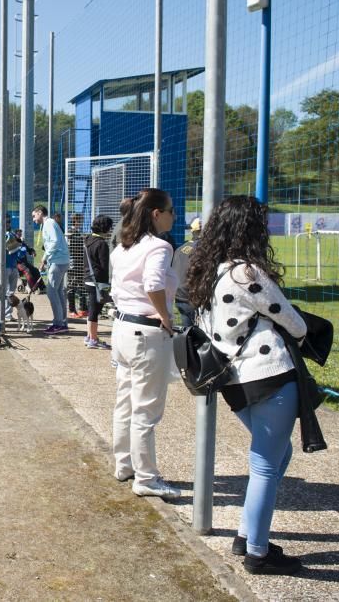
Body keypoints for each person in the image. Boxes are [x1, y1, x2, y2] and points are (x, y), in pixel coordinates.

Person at [186, 195, 308, 576]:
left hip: (234, 381)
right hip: (269, 376)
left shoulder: (209, 271)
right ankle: (258, 551)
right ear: (249, 228)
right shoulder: (247, 274)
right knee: (267, 465)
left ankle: (246, 534)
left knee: (274, 458)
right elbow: (293, 322)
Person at [108, 189, 179, 500]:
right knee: (146, 411)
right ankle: (147, 477)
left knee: (125, 402)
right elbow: (153, 285)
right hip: (146, 332)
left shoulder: (121, 248)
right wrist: (165, 317)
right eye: (171, 211)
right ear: (156, 214)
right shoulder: (159, 247)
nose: (174, 217)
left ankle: (124, 464)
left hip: (123, 329)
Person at [32, 205, 71, 334]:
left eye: (34, 216)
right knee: (58, 291)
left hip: (58, 261)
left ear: (40, 213)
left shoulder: (49, 223)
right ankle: (62, 322)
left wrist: (44, 258)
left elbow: (54, 242)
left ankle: (58, 323)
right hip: (60, 260)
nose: (33, 219)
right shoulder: (48, 224)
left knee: (51, 291)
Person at [83, 214, 113, 350]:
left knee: (91, 309)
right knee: (95, 311)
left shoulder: (88, 239)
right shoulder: (102, 244)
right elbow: (104, 265)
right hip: (98, 282)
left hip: (88, 278)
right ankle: (93, 339)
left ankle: (90, 336)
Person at [173, 217, 203, 328]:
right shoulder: (203, 248)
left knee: (187, 332)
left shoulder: (180, 248)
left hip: (179, 294)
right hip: (194, 297)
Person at [66, 213, 88, 319]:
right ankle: (71, 310)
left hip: (80, 261)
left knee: (82, 285)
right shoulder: (71, 232)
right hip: (73, 262)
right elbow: (70, 246)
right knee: (72, 285)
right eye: (79, 220)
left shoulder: (79, 232)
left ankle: (83, 309)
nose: (81, 222)